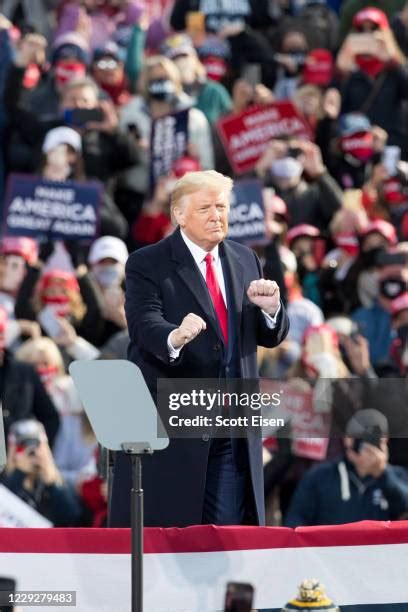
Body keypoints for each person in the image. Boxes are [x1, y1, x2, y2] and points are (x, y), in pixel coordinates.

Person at [110, 170, 289, 527]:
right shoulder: (148, 262)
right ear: (179, 213)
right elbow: (144, 323)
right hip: (177, 426)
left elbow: (267, 336)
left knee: (223, 534)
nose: (216, 216)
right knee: (170, 533)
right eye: (205, 207)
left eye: (221, 207)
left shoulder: (245, 259)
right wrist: (175, 337)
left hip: (232, 423)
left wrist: (271, 310)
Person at [285, 409, 408, 527]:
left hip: (380, 547)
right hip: (332, 546)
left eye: (374, 440)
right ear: (347, 440)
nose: (367, 446)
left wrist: (382, 473)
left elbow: (404, 508)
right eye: (361, 439)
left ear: (385, 441)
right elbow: (295, 520)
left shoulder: (399, 476)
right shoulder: (319, 477)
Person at [1, 419, 83, 527]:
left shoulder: (58, 484)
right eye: (22, 447)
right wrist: (18, 474)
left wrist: (53, 483)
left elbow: (75, 519)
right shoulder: (5, 483)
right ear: (12, 451)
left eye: (36, 446)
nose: (31, 452)